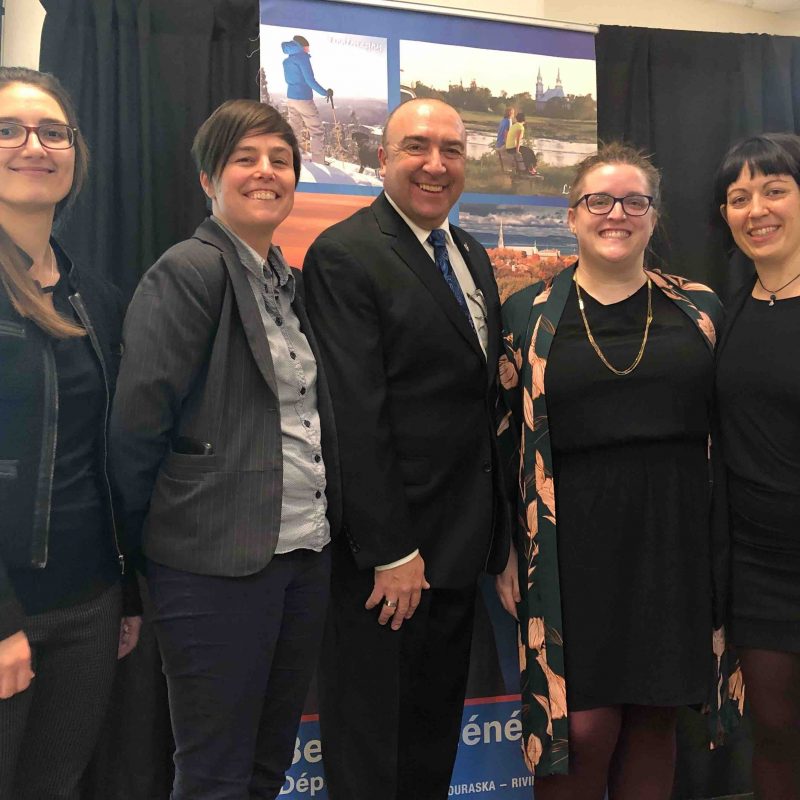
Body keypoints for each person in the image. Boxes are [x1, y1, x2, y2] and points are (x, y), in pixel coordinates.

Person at [109, 99, 341, 800]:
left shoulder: (285, 282)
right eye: (246, 158)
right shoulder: (189, 271)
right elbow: (136, 431)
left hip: (302, 555)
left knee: (268, 765)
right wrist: (135, 560)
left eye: (281, 160)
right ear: (209, 178)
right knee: (214, 774)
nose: (266, 172)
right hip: (211, 565)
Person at [496, 143, 735, 799]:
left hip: (674, 540)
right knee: (583, 730)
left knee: (655, 719)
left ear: (654, 217)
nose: (616, 214)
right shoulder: (527, 315)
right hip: (569, 546)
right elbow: (501, 438)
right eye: (598, 200)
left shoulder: (701, 310)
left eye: (634, 201)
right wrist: (507, 547)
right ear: (572, 215)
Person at [302, 98, 510, 800]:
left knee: (428, 749)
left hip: (457, 552)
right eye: (417, 146)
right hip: (388, 566)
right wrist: (391, 550)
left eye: (452, 150)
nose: (435, 164)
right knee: (375, 758)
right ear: (383, 157)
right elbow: (353, 415)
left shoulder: (470, 253)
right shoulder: (345, 254)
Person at [0, 66, 141, 798]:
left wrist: (128, 593)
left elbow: (109, 458)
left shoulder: (98, 297)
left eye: (53, 132)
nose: (35, 146)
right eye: (9, 130)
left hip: (90, 604)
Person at [714, 132, 800, 799]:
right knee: (774, 735)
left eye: (774, 189)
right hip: (758, 568)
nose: (756, 210)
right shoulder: (728, 310)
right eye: (739, 197)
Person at [281, 34, 333, 165]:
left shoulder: (287, 61)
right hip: (303, 98)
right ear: (301, 46)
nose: (308, 50)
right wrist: (325, 92)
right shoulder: (303, 58)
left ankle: (293, 158)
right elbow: (310, 80)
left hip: (291, 98)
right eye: (307, 47)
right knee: (317, 130)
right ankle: (319, 162)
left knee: (294, 128)